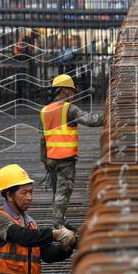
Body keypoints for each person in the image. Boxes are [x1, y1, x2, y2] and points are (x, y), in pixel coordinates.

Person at [40, 73, 104, 228]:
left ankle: (61, 220)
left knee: (57, 191)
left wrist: (44, 161)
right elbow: (92, 120)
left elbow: (42, 138)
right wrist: (111, 114)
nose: (74, 94)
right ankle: (58, 226)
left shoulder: (45, 111)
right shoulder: (69, 109)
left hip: (51, 158)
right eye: (72, 91)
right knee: (64, 192)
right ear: (66, 91)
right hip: (65, 158)